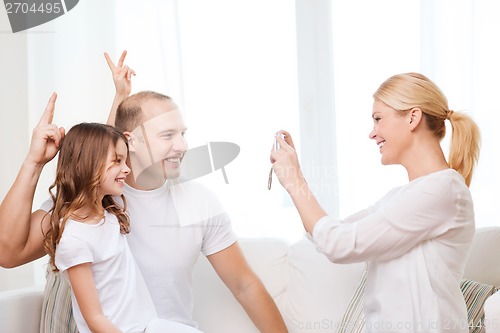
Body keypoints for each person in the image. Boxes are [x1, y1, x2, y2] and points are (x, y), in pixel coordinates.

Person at [0, 51, 287, 332]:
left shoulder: (199, 202)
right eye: (167, 135)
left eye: (182, 134)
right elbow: (8, 253)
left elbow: (244, 284)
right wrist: (34, 162)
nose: (183, 146)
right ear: (131, 141)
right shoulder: (86, 205)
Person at [270, 72, 480, 332]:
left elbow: (338, 244)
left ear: (412, 117)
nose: (373, 133)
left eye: (378, 119)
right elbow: (326, 235)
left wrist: (295, 181)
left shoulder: (443, 190)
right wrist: (295, 177)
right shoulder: (400, 197)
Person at [43, 122, 202, 333]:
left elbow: (102, 142)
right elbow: (95, 319)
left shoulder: (109, 213)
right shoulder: (75, 237)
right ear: (87, 164)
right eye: (118, 161)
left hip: (148, 325)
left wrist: (120, 95)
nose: (127, 168)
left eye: (125, 160)